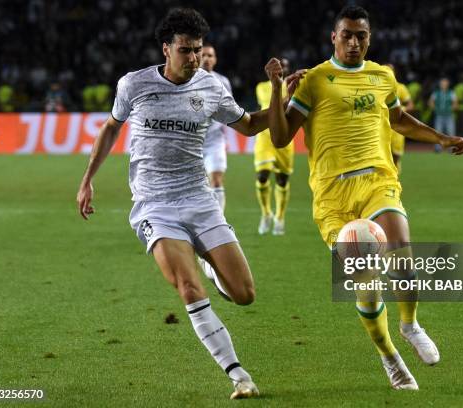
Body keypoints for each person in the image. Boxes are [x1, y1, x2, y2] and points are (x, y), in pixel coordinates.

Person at [76, 8, 301, 400]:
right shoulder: (134, 85)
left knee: (244, 294)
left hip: (199, 199)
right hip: (154, 204)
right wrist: (87, 180)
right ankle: (238, 375)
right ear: (167, 49)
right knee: (188, 287)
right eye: (185, 50)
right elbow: (111, 126)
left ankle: (211, 268)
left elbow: (248, 126)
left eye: (197, 50)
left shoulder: (211, 87)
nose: (193, 58)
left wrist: (280, 92)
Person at [264, 5, 463, 390]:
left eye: (361, 35)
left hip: (377, 179)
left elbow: (399, 120)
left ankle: (410, 324)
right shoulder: (314, 81)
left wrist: (441, 138)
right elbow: (279, 137)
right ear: (334, 38)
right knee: (367, 280)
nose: (354, 42)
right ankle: (388, 355)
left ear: (369, 38)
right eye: (347, 35)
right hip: (331, 195)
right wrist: (277, 90)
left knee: (401, 249)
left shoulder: (382, 76)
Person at [254, 58, 294, 235]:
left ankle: (280, 217)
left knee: (282, 180)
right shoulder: (261, 87)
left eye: (284, 67)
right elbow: (274, 106)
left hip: (285, 137)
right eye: (278, 66)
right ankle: (266, 214)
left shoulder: (293, 86)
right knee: (262, 175)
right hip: (264, 137)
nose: (281, 69)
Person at [200, 43, 235, 210]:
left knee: (216, 180)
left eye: (210, 55)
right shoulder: (185, 80)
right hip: (191, 141)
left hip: (214, 140)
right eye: (203, 54)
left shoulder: (223, 82)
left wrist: (226, 138)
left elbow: (230, 111)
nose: (206, 58)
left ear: (215, 60)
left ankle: (219, 222)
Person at [386, 64, 414, 172]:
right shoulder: (377, 88)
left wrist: (403, 109)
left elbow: (411, 105)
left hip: (397, 126)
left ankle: (395, 174)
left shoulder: (400, 88)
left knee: (396, 154)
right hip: (382, 126)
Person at [429, 77, 458, 152]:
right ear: (440, 84)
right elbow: (431, 102)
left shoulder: (451, 93)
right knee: (438, 132)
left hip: (449, 115)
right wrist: (435, 109)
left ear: (448, 84)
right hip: (439, 115)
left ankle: (451, 148)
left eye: (445, 83)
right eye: (442, 83)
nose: (444, 85)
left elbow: (455, 103)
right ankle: (438, 148)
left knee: (451, 132)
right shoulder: (436, 93)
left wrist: (451, 108)